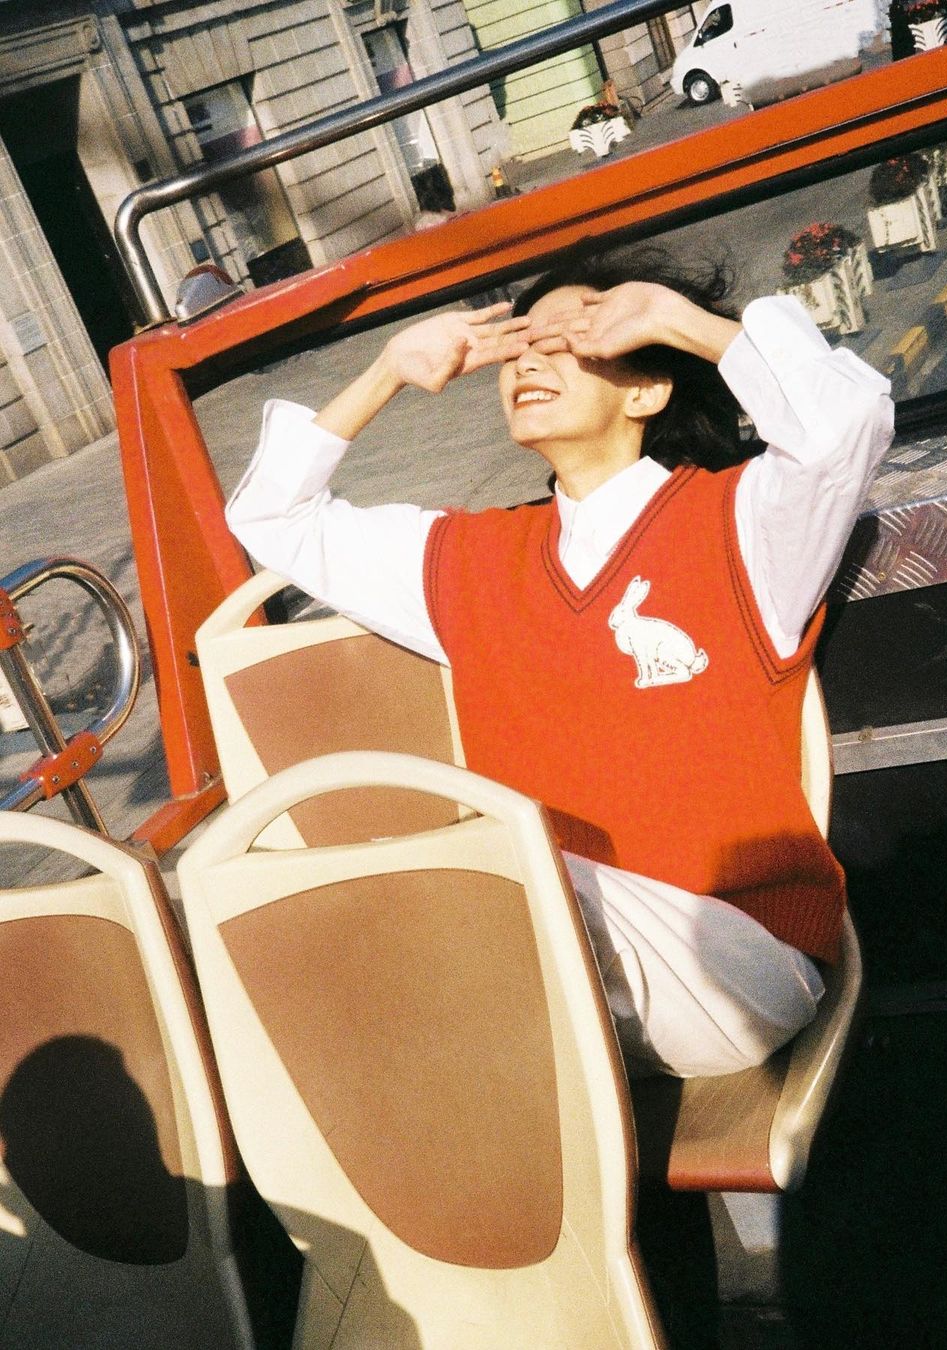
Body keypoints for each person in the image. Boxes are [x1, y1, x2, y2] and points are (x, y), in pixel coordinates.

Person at [226, 246, 894, 1078]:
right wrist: (388, 370)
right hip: (562, 960)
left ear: (646, 391)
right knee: (342, 944)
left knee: (473, 880)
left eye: (571, 340)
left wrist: (679, 321)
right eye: (519, 347)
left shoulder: (742, 523)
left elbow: (846, 426)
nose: (530, 362)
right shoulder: (466, 558)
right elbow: (273, 516)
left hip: (732, 956)